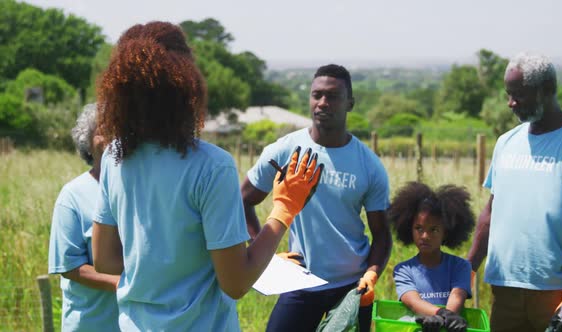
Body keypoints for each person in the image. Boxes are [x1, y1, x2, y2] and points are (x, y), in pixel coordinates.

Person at [90, 21, 322, 331]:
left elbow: (104, 260)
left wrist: (159, 267)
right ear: (186, 83)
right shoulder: (212, 165)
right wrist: (284, 208)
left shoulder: (114, 157)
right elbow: (236, 283)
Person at [241, 64, 392, 332]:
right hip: (300, 280)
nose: (322, 103)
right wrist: (267, 255)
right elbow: (243, 201)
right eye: (316, 95)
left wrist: (371, 274)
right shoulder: (285, 150)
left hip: (351, 286)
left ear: (350, 103)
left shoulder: (369, 165)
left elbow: (382, 235)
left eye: (332, 96)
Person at [467, 52, 562, 332]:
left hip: (557, 294)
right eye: (508, 94)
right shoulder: (506, 143)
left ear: (546, 90)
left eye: (518, 95)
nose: (511, 103)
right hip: (505, 290)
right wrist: (469, 267)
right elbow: (491, 212)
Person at [48, 103, 120, 331]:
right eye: (103, 129)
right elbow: (70, 266)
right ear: (88, 144)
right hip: (91, 324)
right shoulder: (72, 195)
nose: (113, 135)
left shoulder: (138, 191)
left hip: (135, 322)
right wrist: (123, 284)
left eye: (118, 128)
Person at [390, 182, 475, 332]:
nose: (425, 236)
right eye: (418, 228)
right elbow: (413, 302)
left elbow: (457, 296)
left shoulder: (460, 266)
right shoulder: (403, 270)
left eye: (433, 230)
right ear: (409, 229)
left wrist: (443, 319)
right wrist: (441, 314)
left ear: (446, 233)